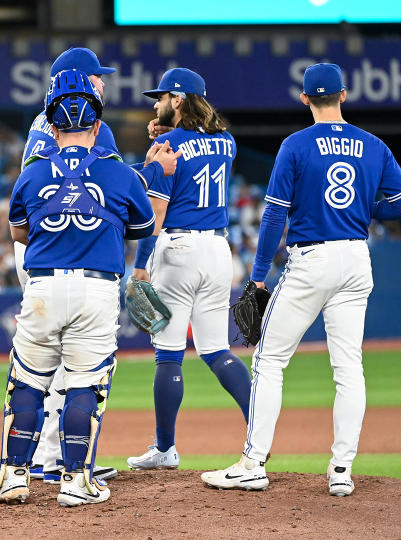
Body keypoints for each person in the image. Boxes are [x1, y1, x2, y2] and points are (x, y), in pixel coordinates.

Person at [200, 63, 401, 496]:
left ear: (304, 99)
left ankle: (253, 463)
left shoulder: (296, 145)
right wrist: (361, 210)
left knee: (269, 360)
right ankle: (341, 471)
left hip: (312, 259)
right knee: (348, 367)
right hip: (357, 258)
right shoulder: (373, 145)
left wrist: (258, 277)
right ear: (344, 94)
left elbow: (276, 213)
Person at [0, 69, 155, 507]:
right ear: (98, 126)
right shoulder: (120, 174)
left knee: (27, 381)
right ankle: (76, 481)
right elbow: (144, 226)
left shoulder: (33, 172)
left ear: (51, 124)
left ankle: (12, 476)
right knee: (84, 384)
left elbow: (20, 233)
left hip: (42, 288)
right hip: (96, 290)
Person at [18, 46, 179, 486]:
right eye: (96, 76)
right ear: (78, 80)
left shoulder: (41, 123)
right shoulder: (92, 125)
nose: (102, 82)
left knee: (41, 363)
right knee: (78, 364)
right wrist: (151, 169)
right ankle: (58, 461)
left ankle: (37, 460)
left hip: (39, 245)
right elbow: (106, 191)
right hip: (74, 253)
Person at [126, 68, 253, 471]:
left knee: (169, 355)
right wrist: (165, 131)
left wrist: (140, 268)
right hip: (219, 249)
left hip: (178, 247)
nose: (155, 103)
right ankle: (259, 433)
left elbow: (156, 215)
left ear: (178, 99)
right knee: (217, 350)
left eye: (161, 97)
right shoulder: (227, 142)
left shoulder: (168, 145)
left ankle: (165, 449)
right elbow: (203, 139)